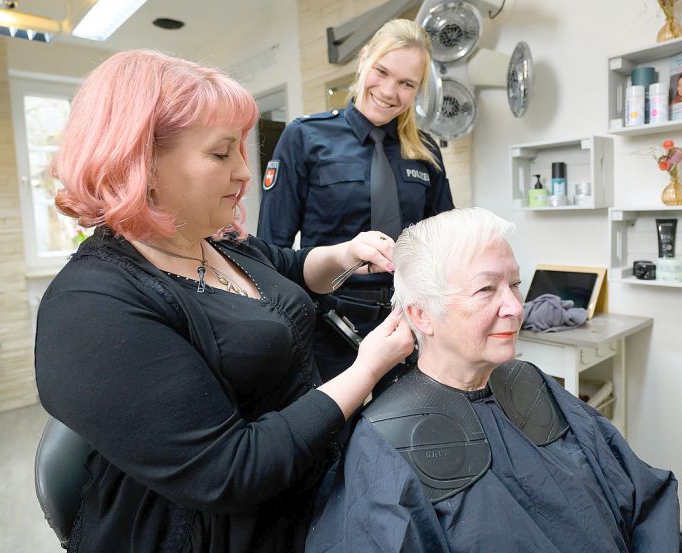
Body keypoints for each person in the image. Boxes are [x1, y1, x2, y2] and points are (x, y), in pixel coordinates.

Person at [34, 50, 414, 553]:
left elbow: (292, 269)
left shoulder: (216, 242)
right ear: (140, 163)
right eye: (221, 154)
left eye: (242, 151)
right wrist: (364, 372)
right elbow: (230, 472)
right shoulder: (92, 306)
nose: (243, 173)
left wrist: (346, 253)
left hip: (307, 483)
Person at [305, 208, 682, 553]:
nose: (515, 307)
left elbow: (641, 498)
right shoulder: (386, 441)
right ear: (420, 314)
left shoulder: (529, 382)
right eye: (485, 290)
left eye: (514, 284)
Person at [257, 19, 454, 386]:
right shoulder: (305, 136)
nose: (389, 91)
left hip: (407, 319)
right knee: (335, 433)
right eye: (382, 72)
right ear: (363, 61)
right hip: (329, 322)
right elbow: (272, 248)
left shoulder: (426, 151)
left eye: (407, 84)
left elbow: (444, 244)